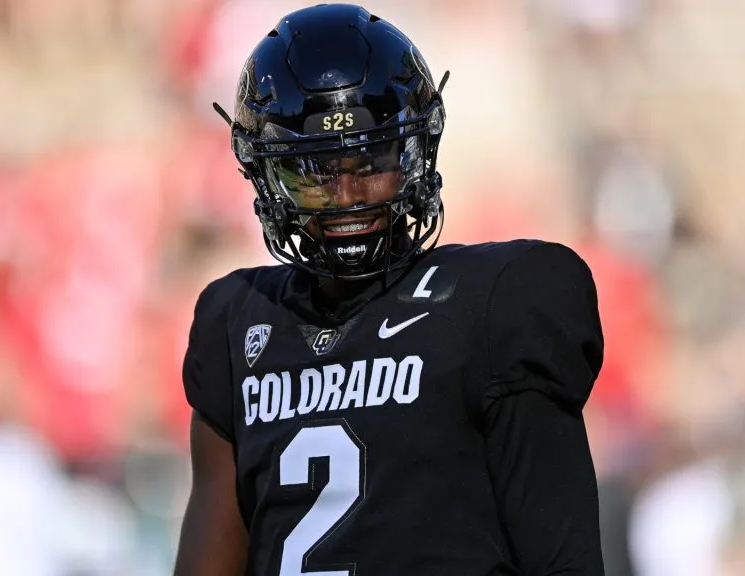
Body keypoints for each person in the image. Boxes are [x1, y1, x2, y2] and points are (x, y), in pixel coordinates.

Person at [174, 4, 606, 575]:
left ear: (416, 151)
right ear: (266, 174)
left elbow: (564, 562)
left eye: (372, 159)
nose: (350, 194)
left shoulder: (497, 300)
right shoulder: (235, 320)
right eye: (317, 171)